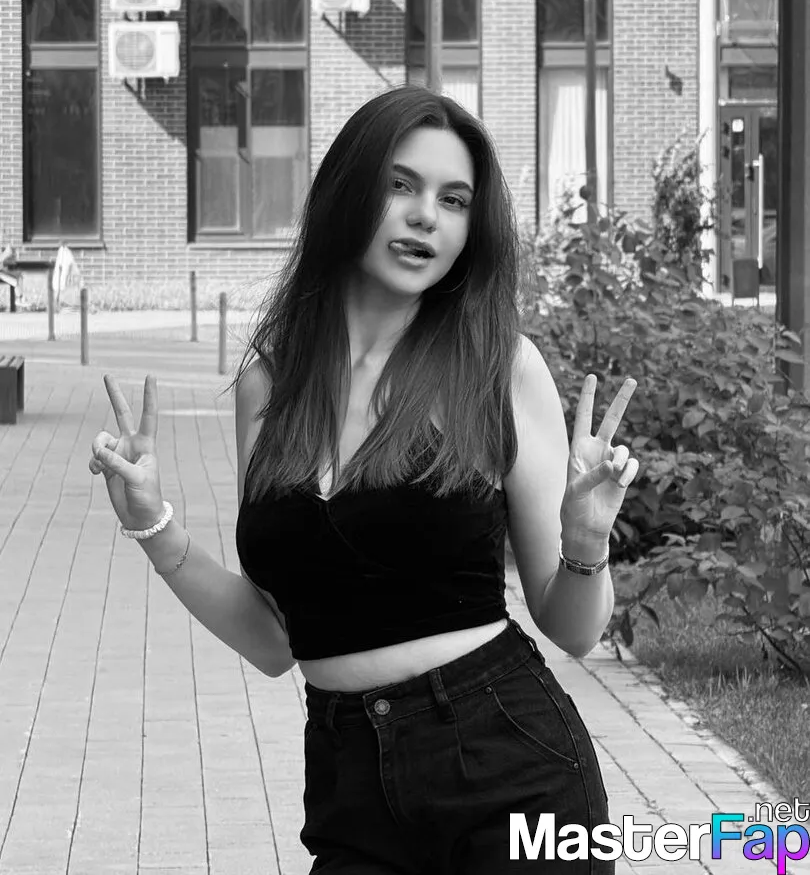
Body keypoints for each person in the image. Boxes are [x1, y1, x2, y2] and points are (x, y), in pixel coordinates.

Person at [90, 84, 639, 873]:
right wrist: (152, 523)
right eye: (401, 185)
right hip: (348, 781)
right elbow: (275, 638)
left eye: (453, 200)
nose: (425, 217)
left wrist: (586, 542)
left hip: (510, 767)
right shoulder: (270, 382)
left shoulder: (498, 366)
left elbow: (574, 629)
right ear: (348, 193)